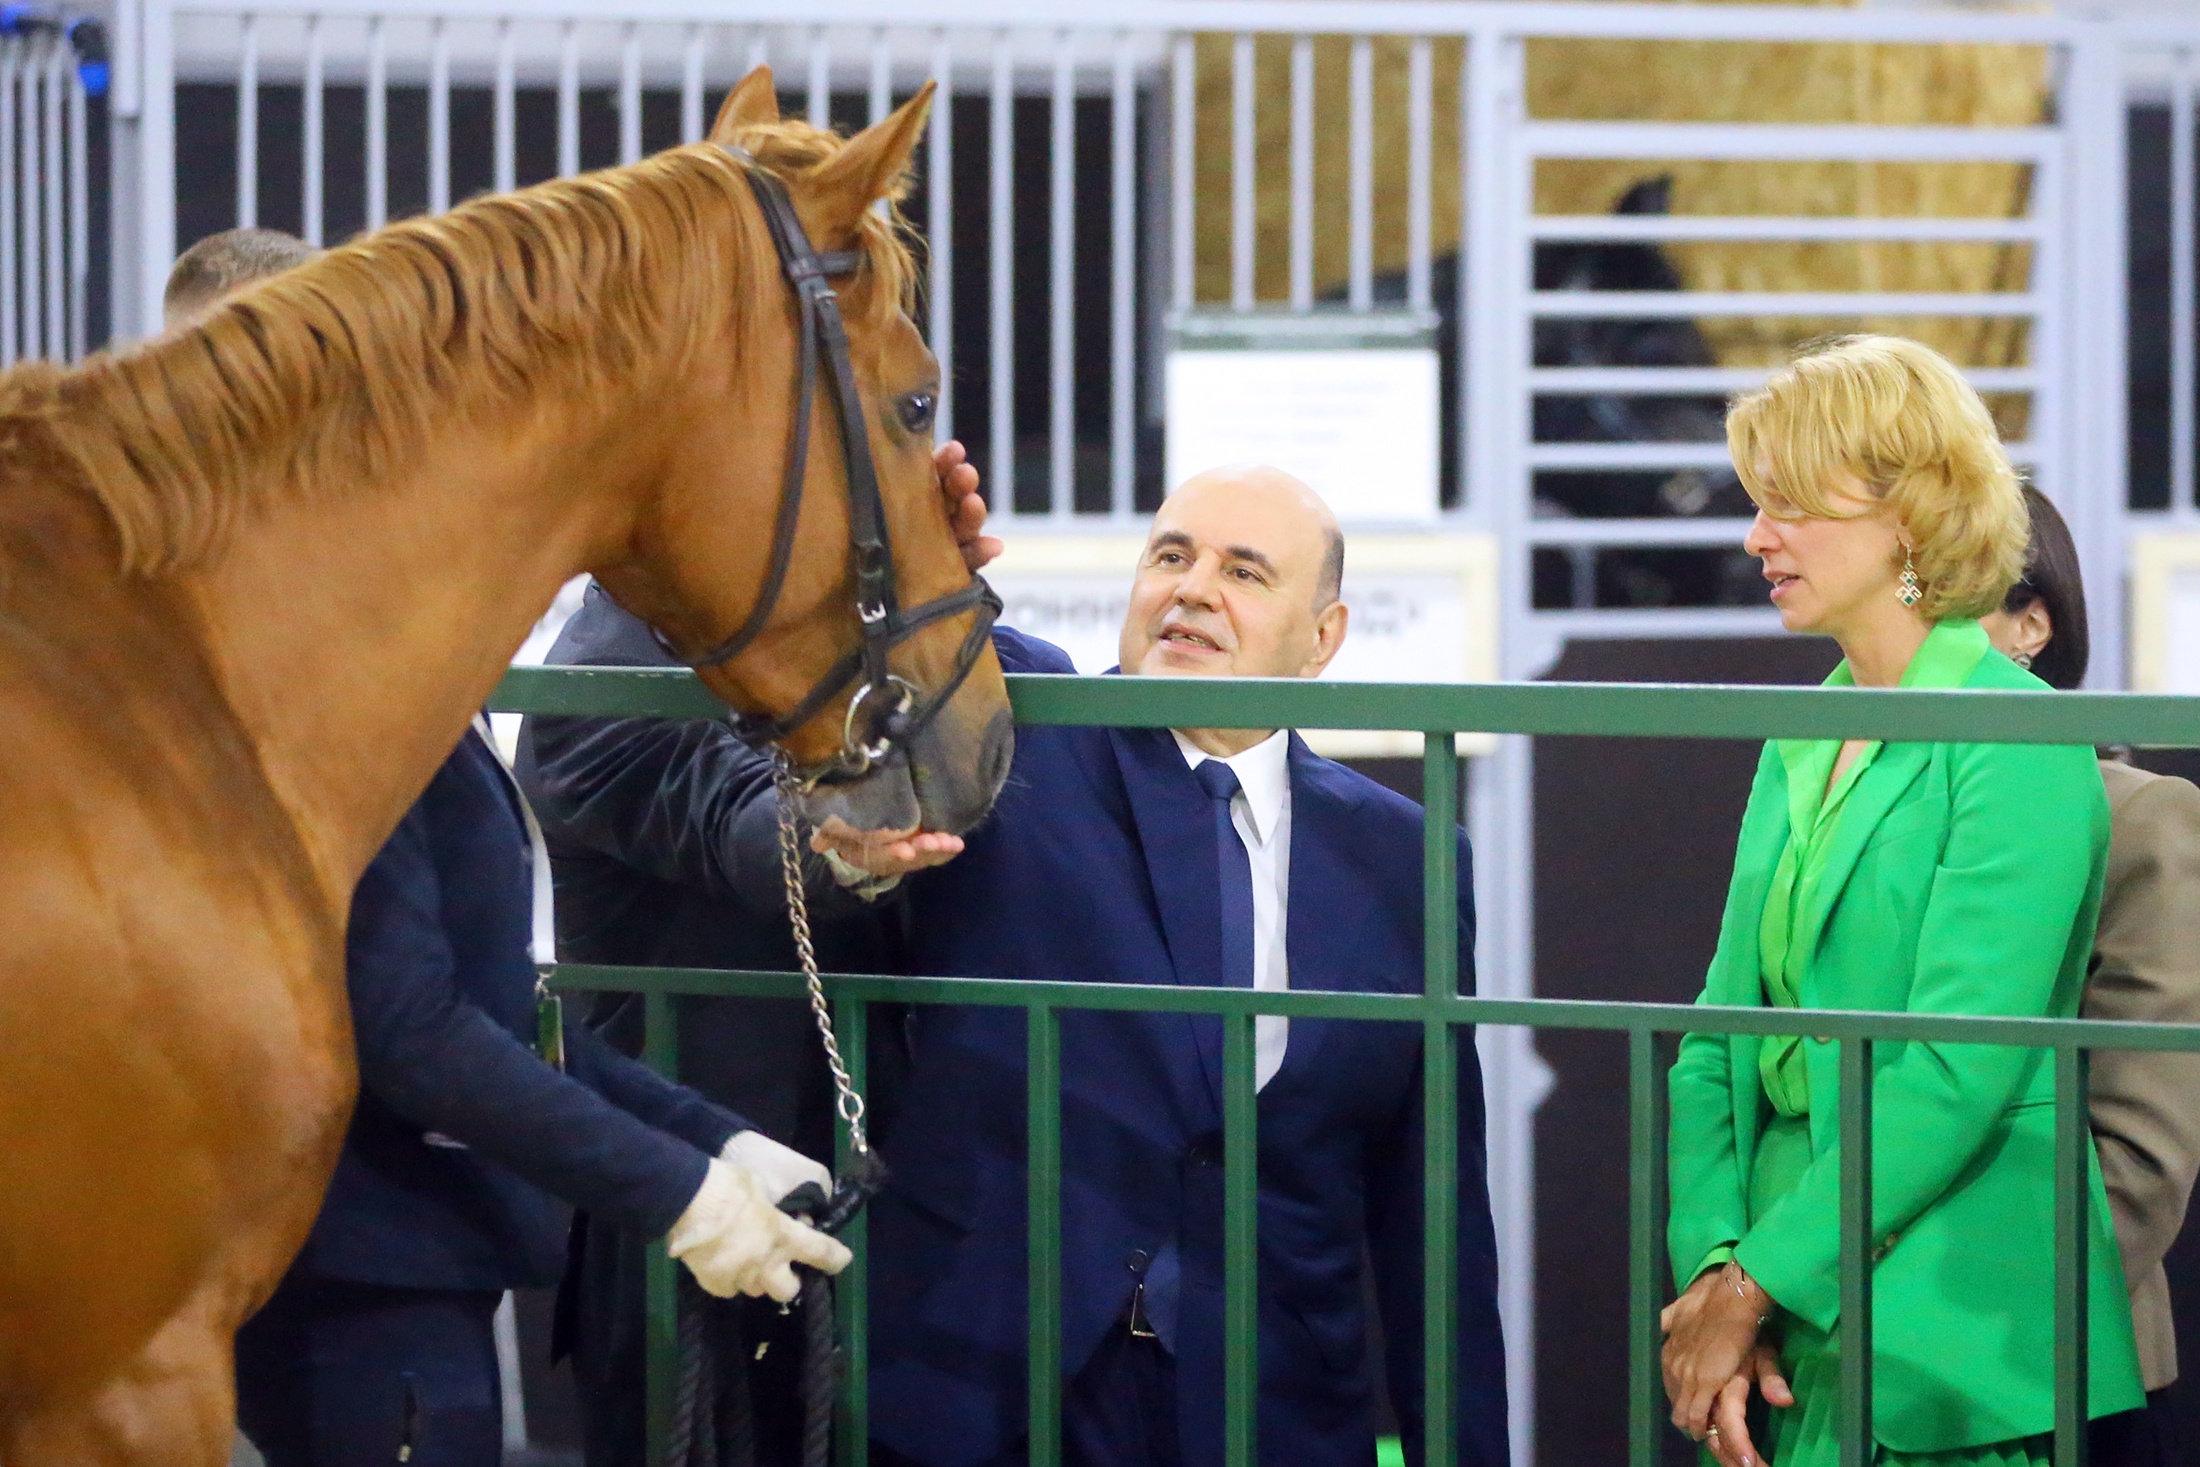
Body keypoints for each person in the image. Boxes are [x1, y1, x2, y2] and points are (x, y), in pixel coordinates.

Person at [170, 233, 852, 1467]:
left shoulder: (360, 643)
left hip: (386, 1264)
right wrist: (682, 1194)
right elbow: (408, 1024)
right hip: (349, 1278)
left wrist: (712, 1139)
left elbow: (478, 1003)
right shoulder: (309, 661)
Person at [851, 465, 1509, 1467]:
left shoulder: (1403, 856)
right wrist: (906, 523)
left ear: (1322, 637)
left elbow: (1431, 1208)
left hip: (1276, 1412)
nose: (1193, 589)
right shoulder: (1016, 736)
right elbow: (893, 617)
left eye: (1243, 572)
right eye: (1171, 556)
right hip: (988, 1391)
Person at [1662, 334, 2144, 1467]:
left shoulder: (2021, 740)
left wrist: (1758, 1280)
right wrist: (1714, 1273)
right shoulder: (1800, 732)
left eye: (1789, 503)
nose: (1756, 536)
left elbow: (1955, 1068)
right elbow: (1715, 1041)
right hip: (1777, 1322)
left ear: (1909, 517)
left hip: (1951, 1346)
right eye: (1757, 502)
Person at [514, 441, 991, 1467]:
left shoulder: (799, 649)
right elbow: (744, 831)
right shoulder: (601, 683)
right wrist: (851, 847)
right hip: (695, 1243)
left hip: (867, 1215)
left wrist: (929, 588)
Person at [1979, 486, 2200, 1467]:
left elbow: (2139, 1164)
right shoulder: (1833, 803)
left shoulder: (2138, 818)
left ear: (2033, 625)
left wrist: (1927, 1316)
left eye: (1944, 599)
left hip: (2055, 1365)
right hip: (1849, 1367)